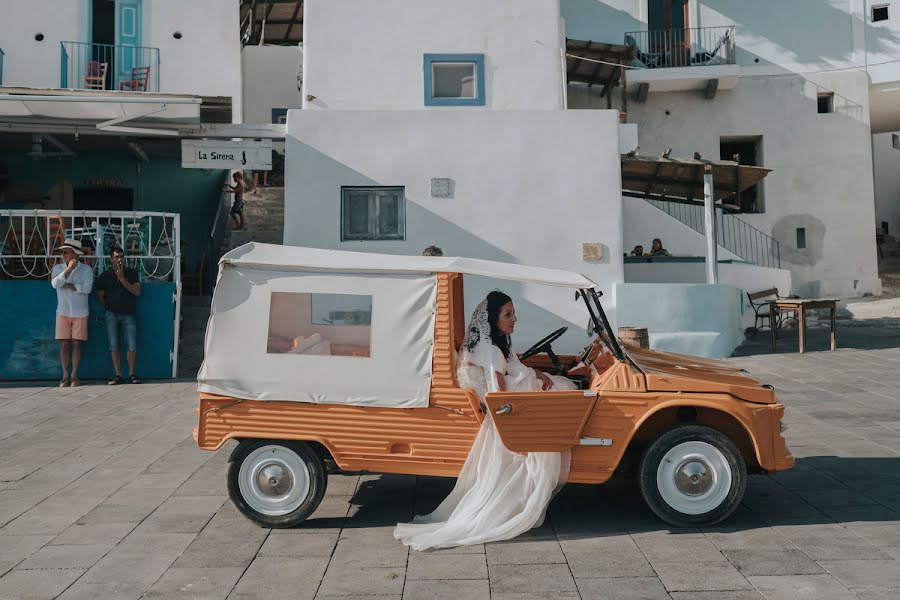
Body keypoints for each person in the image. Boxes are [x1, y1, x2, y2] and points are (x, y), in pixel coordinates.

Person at [394, 291, 576, 551]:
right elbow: (498, 397)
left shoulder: (497, 343)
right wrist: (517, 438)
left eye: (514, 313)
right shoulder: (491, 351)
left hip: (522, 388)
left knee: (562, 385)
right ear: (493, 318)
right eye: (508, 314)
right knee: (566, 391)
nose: (515, 319)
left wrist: (534, 372)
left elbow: (513, 367)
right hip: (511, 406)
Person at [50, 239, 94, 387]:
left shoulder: (86, 270)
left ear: (75, 254)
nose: (63, 255)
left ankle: (74, 375)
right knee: (64, 344)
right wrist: (67, 271)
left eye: (66, 252)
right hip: (62, 311)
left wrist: (69, 285)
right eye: (62, 252)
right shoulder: (58, 268)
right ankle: (65, 375)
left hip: (80, 312)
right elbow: (55, 284)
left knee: (76, 344)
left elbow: (87, 289)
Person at [96, 246, 142, 385]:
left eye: (121, 256)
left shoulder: (131, 273)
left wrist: (122, 279)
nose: (119, 259)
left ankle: (132, 374)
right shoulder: (105, 275)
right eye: (116, 257)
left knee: (131, 344)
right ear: (111, 259)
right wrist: (109, 307)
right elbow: (100, 296)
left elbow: (137, 292)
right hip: (112, 314)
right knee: (113, 344)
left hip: (129, 314)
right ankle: (118, 374)